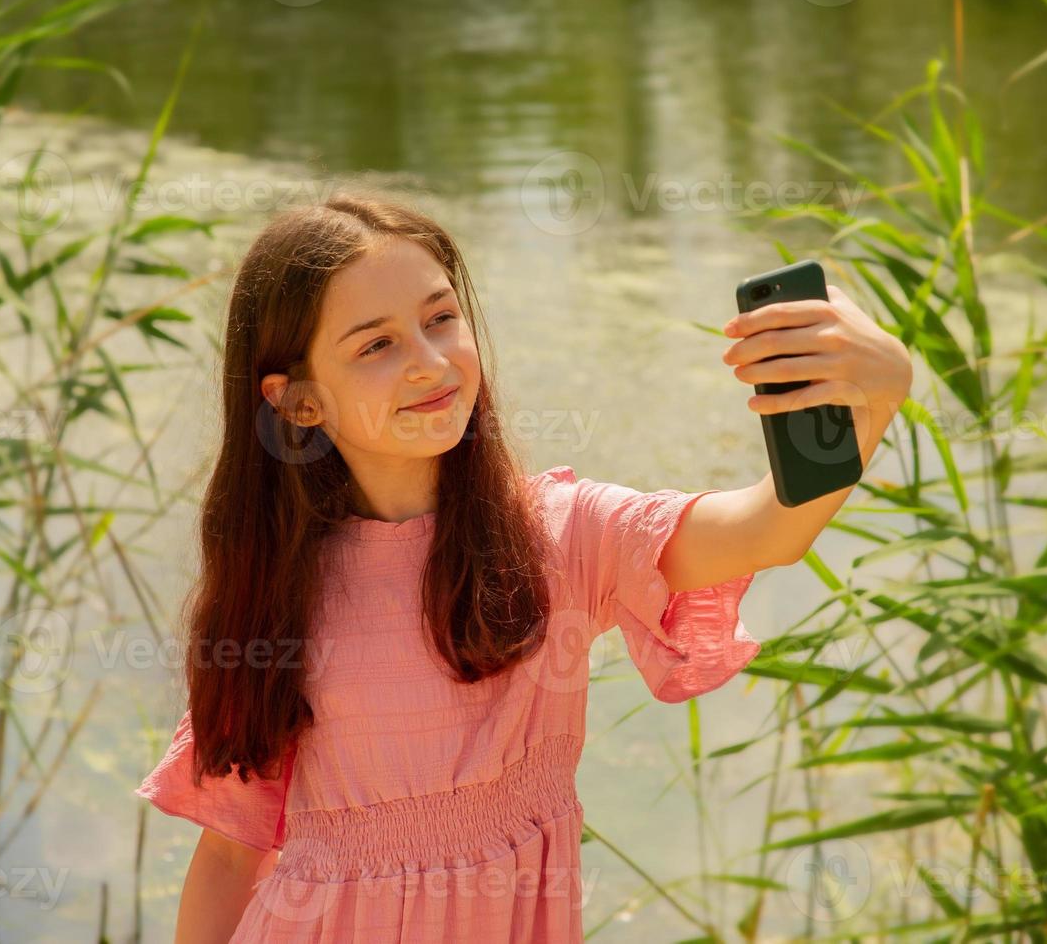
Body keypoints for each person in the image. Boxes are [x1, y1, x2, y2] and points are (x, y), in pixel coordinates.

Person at [132, 192, 912, 942]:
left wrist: (868, 404)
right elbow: (231, 853)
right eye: (376, 344)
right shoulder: (274, 591)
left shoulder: (557, 536)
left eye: (440, 318)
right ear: (299, 401)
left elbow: (766, 529)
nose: (429, 361)